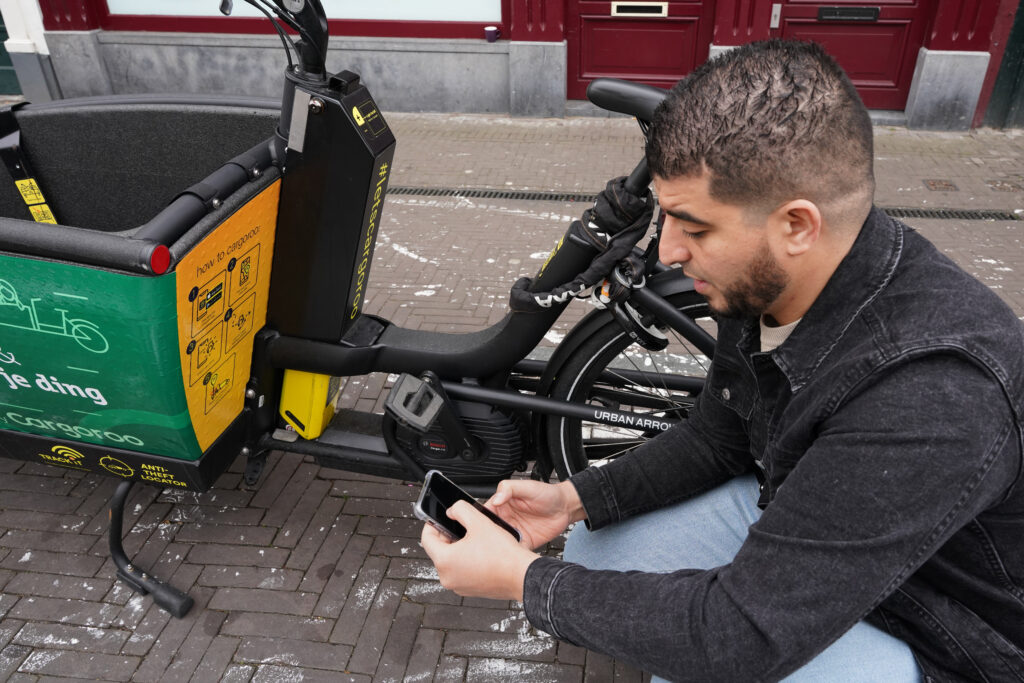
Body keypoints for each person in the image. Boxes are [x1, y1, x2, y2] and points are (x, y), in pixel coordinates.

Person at [420, 39, 1024, 682]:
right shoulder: (766, 279)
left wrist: (526, 582)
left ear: (797, 225)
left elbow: (739, 637)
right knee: (600, 544)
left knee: (710, 655)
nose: (670, 251)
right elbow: (721, 434)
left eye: (695, 227)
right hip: (829, 547)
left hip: (949, 631)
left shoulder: (932, 394)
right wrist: (569, 500)